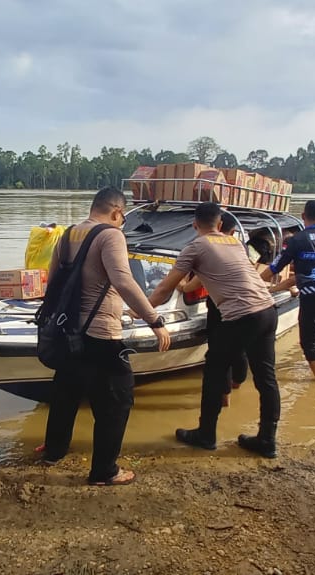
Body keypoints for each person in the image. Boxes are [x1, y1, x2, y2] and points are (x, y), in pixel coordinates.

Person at [41, 186, 171, 486]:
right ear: (117, 212)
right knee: (117, 400)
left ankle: (54, 451)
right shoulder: (111, 234)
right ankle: (104, 471)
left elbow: (53, 283)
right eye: (122, 217)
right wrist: (155, 319)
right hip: (101, 332)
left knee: (66, 392)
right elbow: (122, 280)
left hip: (69, 330)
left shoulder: (69, 233)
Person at [149, 202, 282, 458]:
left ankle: (206, 434)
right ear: (220, 224)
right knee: (266, 377)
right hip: (267, 310)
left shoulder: (195, 246)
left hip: (240, 317)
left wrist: (140, 311)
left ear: (194, 225)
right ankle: (267, 439)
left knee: (214, 370)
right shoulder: (234, 243)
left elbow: (165, 288)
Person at [262, 200, 315, 382]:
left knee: (308, 341)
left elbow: (276, 267)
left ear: (303, 216)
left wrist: (255, 282)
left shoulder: (297, 240)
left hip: (314, 294)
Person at [179, 212, 249, 407]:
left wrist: (183, 286)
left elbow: (198, 279)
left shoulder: (206, 246)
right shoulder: (239, 246)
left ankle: (223, 396)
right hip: (247, 306)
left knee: (218, 354)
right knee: (238, 349)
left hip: (221, 306)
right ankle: (237, 383)